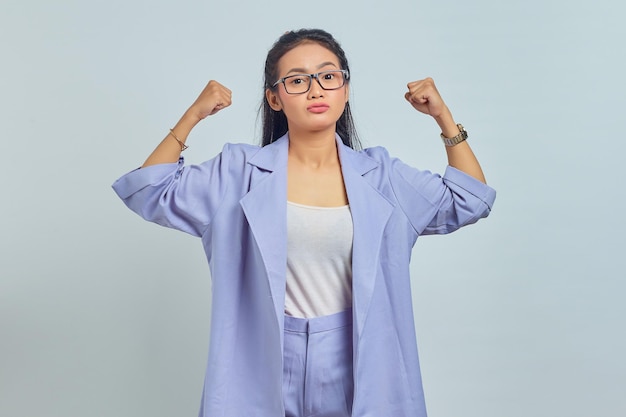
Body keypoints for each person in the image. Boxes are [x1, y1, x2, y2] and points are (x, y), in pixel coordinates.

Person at [112, 28, 496, 417]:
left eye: (328, 77)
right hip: (265, 355)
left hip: (357, 358)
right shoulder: (238, 172)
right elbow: (148, 189)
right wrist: (192, 115)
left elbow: (470, 199)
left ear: (345, 90)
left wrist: (443, 118)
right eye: (297, 80)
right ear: (274, 99)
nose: (315, 90)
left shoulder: (382, 176)